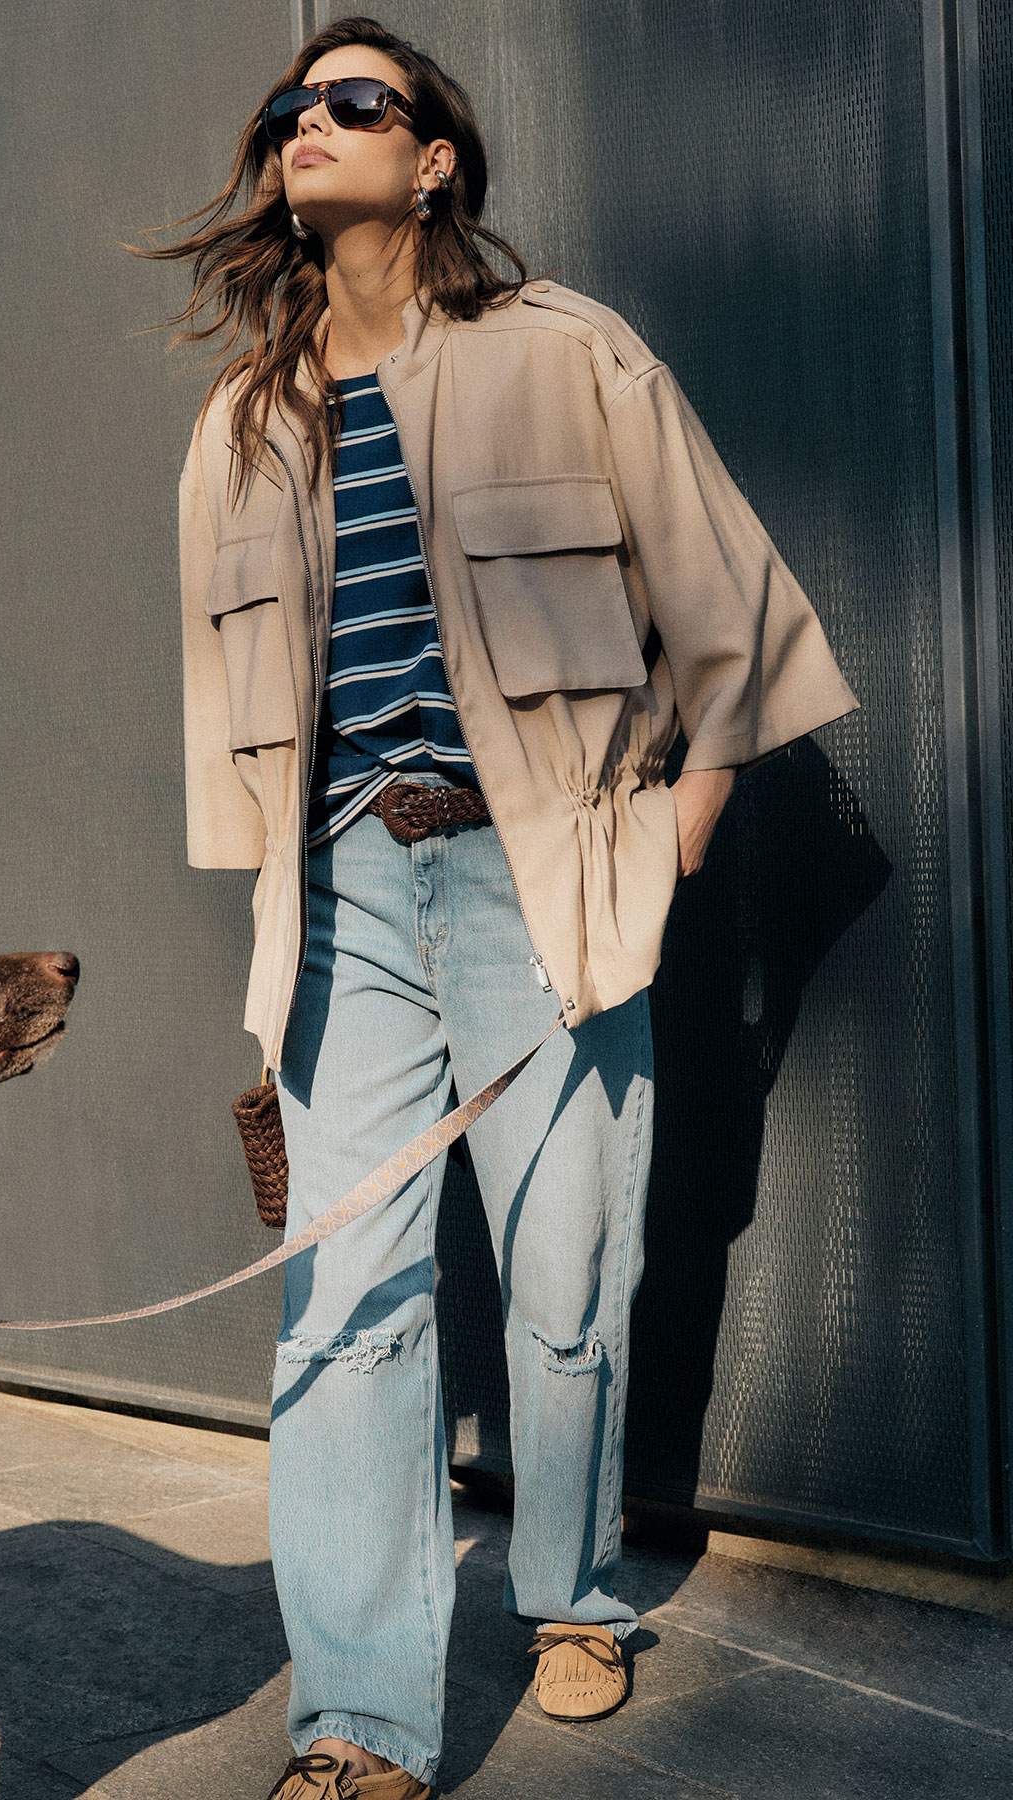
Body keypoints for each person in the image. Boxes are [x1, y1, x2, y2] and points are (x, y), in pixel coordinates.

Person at [145, 16, 859, 1797]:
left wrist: (674, 841)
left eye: (356, 102)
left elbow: (742, 626)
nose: (314, 124)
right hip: (344, 896)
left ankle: (572, 1594)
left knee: (561, 1279)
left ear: (435, 158)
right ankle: (358, 1724)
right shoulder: (243, 428)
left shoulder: (569, 357)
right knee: (344, 1303)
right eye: (292, 108)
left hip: (542, 872)